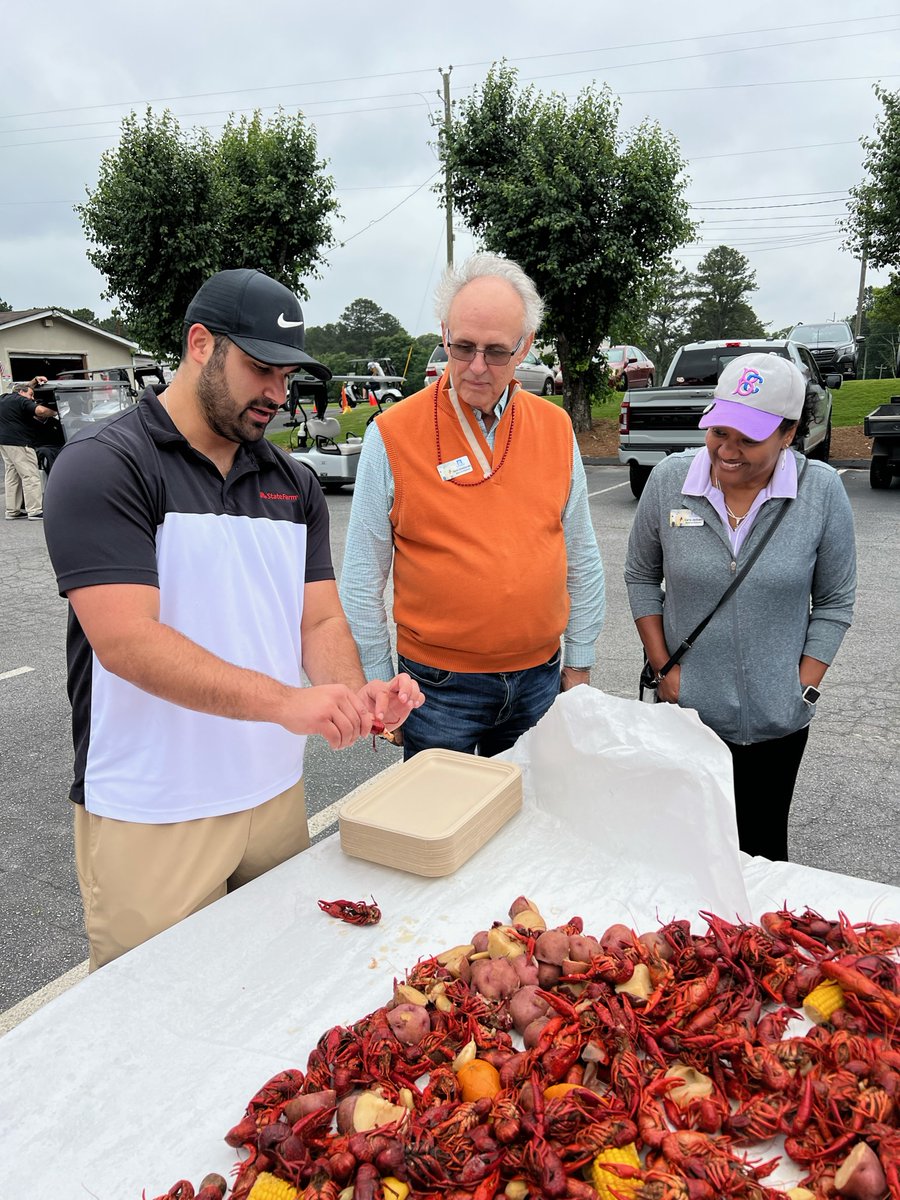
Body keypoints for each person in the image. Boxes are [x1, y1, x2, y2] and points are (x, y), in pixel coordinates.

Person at [43, 267, 423, 970]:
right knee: (157, 1025)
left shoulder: (294, 481)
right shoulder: (104, 467)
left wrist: (356, 693)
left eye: (287, 375)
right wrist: (288, 703)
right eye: (260, 369)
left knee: (270, 1005)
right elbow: (127, 641)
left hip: (274, 800)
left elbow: (317, 624)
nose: (278, 394)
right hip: (154, 810)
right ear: (199, 345)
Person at [339, 252, 605, 759]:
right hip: (436, 689)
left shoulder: (554, 427)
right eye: (462, 347)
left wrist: (581, 661)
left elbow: (582, 555)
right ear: (443, 333)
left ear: (524, 346)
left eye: (496, 351)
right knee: (443, 828)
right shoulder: (392, 435)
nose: (477, 368)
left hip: (540, 680)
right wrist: (378, 682)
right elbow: (361, 577)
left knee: (531, 826)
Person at [624, 352, 857, 861]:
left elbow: (836, 600)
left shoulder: (820, 493)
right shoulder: (670, 480)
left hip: (778, 721)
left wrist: (801, 685)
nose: (727, 452)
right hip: (687, 716)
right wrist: (665, 669)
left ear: (789, 433)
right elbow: (641, 576)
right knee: (687, 854)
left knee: (762, 856)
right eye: (718, 432)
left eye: (748, 439)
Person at [0, 376, 55, 519]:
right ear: (22, 393)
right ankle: (35, 511)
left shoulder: (4, 398)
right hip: (20, 443)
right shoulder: (22, 400)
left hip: (4, 442)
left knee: (12, 476)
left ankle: (12, 511)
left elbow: (23, 388)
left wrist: (34, 381)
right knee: (30, 475)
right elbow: (41, 412)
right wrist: (55, 412)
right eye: (31, 395)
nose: (32, 398)